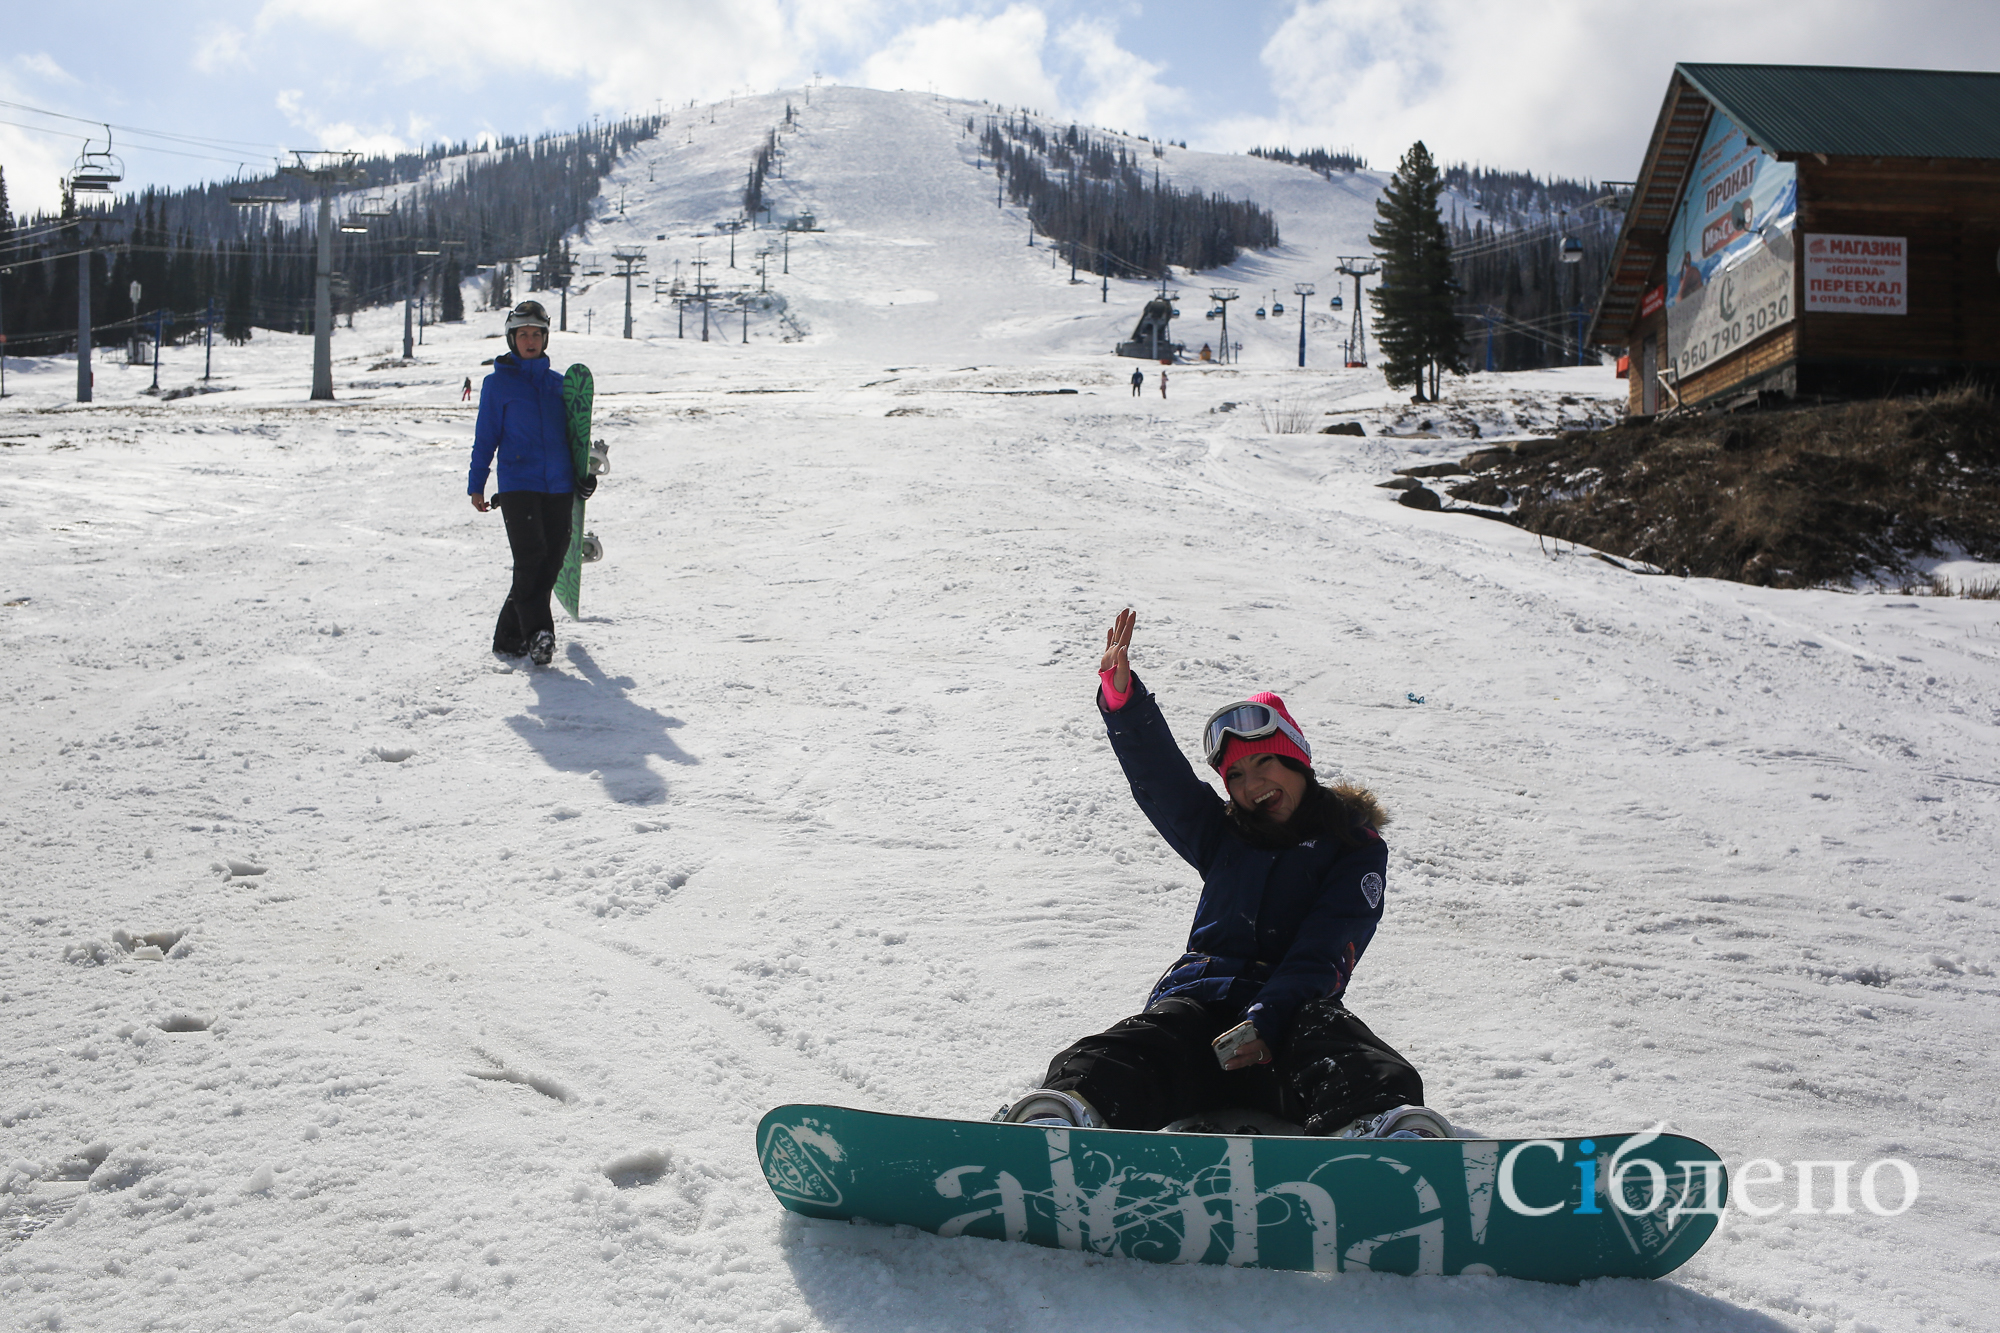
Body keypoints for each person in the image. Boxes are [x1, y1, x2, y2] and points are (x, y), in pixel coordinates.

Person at [1002, 608, 1448, 1140]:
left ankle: (1384, 1131)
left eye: (1264, 763)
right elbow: (1161, 780)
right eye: (1234, 773)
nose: (1250, 782)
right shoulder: (1223, 835)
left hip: (1289, 1024)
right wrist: (1123, 702)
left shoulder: (1353, 848)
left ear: (1297, 761)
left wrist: (1267, 1018)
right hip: (1200, 1013)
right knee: (1139, 1045)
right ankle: (1060, 1118)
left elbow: (1325, 949)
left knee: (1342, 1046)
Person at [467, 300, 592, 665]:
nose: (530, 340)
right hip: (518, 483)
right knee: (530, 557)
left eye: (536, 333)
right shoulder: (498, 385)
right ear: (512, 339)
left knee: (551, 561)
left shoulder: (560, 386)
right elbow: (485, 437)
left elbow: (575, 438)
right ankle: (541, 634)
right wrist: (477, 484)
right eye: (523, 334)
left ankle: (509, 638)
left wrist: (582, 478)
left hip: (558, 485)